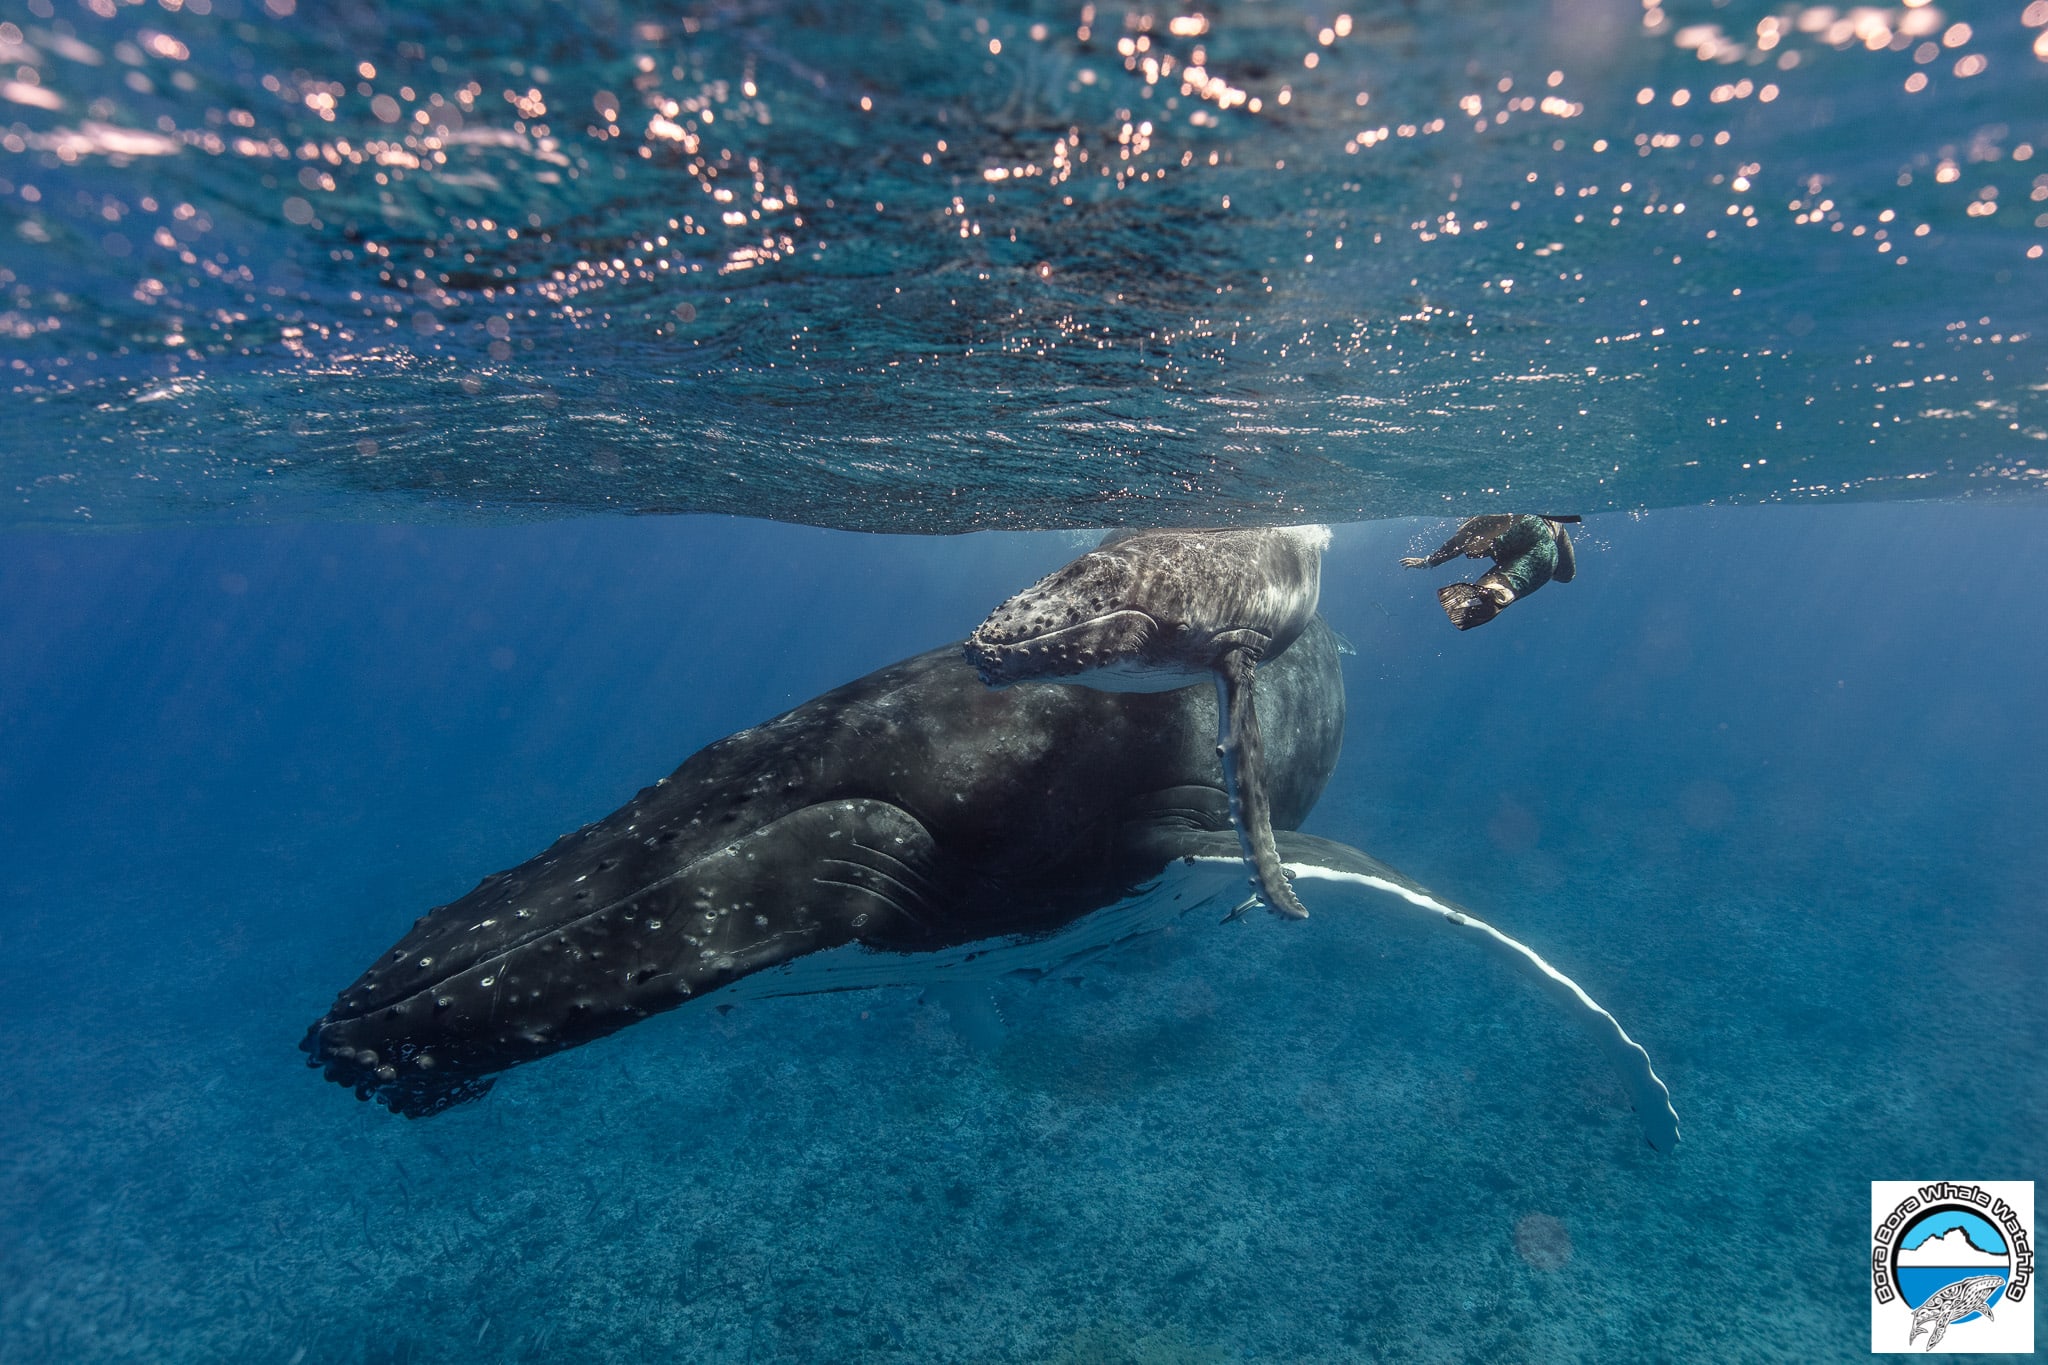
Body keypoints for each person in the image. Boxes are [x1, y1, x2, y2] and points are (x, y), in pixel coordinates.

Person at [1400, 514, 1579, 630]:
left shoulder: (1541, 525)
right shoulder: (1557, 533)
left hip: (1531, 531)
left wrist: (1428, 562)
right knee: (1519, 576)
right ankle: (1496, 594)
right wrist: (1428, 562)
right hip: (1536, 545)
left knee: (1563, 575)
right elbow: (1566, 575)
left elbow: (1456, 545)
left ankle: (1495, 593)